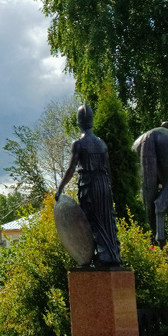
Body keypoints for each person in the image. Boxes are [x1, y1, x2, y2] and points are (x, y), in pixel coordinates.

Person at [55, 104, 122, 267]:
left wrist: (60, 187)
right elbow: (108, 171)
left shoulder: (78, 144)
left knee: (91, 219)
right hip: (104, 184)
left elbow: (71, 169)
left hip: (89, 184)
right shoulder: (101, 144)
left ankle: (104, 255)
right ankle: (112, 254)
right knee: (106, 219)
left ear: (79, 122)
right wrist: (108, 188)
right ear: (91, 121)